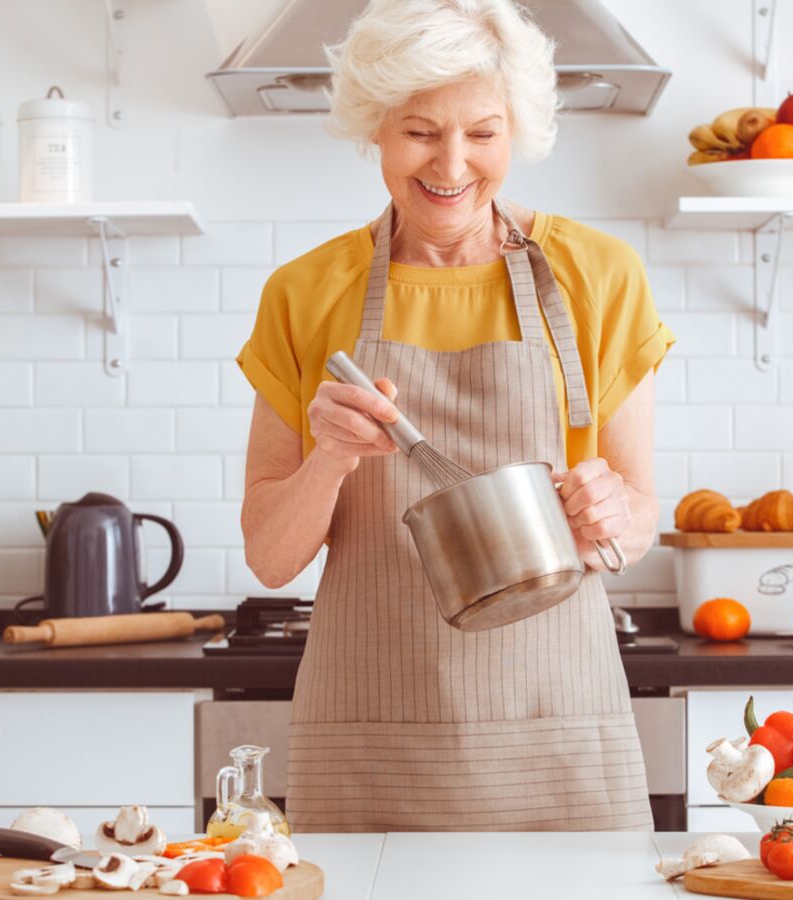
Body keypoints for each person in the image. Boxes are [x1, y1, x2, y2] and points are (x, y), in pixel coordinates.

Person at [237, 0, 674, 832]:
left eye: (482, 132)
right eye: (419, 131)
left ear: (517, 133)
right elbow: (269, 556)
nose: (451, 162)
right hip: (370, 728)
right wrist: (329, 455)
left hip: (556, 722)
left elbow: (640, 514)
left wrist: (613, 514)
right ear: (375, 128)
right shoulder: (303, 294)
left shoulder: (600, 277)